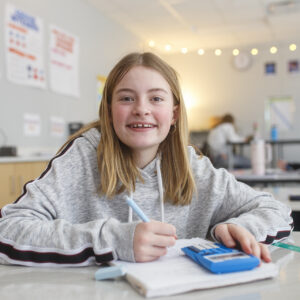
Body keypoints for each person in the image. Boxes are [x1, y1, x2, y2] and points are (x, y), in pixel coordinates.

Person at [0, 52, 293, 267]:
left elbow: (275, 210)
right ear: (109, 109)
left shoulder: (193, 167)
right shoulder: (80, 158)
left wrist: (236, 229)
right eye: (126, 98)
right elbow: (9, 230)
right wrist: (114, 241)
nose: (141, 109)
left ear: (175, 114)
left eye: (156, 98)